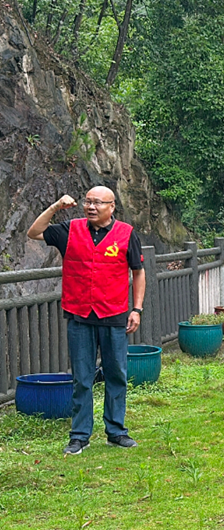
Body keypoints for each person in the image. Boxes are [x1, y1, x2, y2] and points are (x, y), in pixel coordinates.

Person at [27, 187, 145, 455]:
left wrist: (136, 309)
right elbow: (33, 232)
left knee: (117, 375)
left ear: (112, 206)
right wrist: (56, 206)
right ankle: (79, 435)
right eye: (88, 202)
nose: (91, 207)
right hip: (80, 314)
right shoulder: (70, 230)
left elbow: (138, 273)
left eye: (98, 203)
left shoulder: (126, 233)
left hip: (114, 314)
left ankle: (116, 431)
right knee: (82, 378)